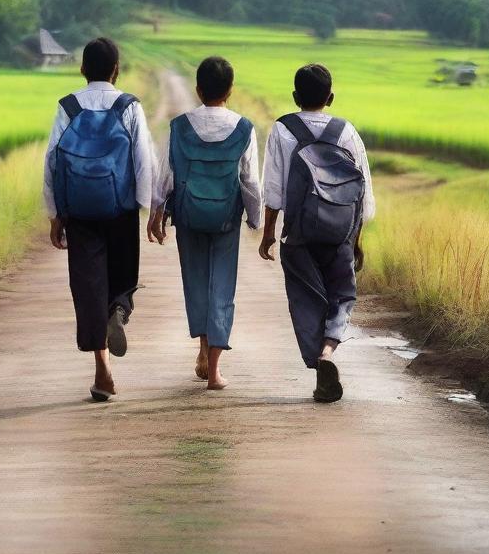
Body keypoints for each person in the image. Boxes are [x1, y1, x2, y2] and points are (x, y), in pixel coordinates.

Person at [44, 37, 156, 402]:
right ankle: (120, 310)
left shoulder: (68, 107)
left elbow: (52, 161)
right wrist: (145, 206)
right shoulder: (129, 106)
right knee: (121, 280)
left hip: (79, 209)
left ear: (82, 69)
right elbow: (143, 159)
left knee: (89, 286)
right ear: (117, 70)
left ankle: (102, 369)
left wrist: (56, 212)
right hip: (120, 208)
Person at [259, 63, 375, 403]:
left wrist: (268, 233)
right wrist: (356, 239)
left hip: (299, 234)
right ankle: (327, 352)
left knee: (305, 297)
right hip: (340, 231)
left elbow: (274, 190)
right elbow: (362, 190)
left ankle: (316, 360)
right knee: (342, 294)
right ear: (331, 97)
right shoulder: (346, 132)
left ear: (295, 96)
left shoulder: (282, 130)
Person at [149, 57, 261, 389]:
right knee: (221, 287)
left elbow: (165, 175)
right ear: (230, 90)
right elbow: (250, 181)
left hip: (188, 215)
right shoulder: (243, 128)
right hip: (226, 218)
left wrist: (157, 213)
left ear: (198, 90)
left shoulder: (179, 126)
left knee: (196, 283)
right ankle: (214, 370)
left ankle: (200, 351)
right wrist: (256, 220)